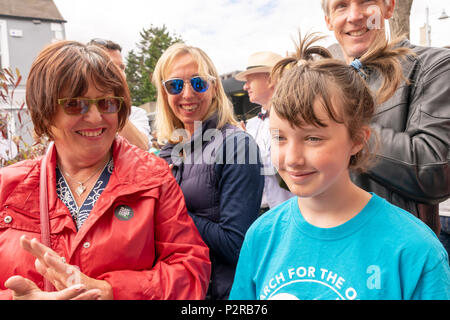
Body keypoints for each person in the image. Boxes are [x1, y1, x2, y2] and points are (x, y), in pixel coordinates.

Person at [229, 32, 450, 300]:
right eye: (280, 138)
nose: (292, 158)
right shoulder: (261, 237)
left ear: (357, 140)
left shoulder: (414, 249)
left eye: (312, 138)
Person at [0, 40, 210, 300]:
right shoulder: (8, 187)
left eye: (108, 103)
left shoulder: (153, 178)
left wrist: (111, 291)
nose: (96, 117)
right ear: (44, 111)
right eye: (75, 104)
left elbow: (191, 271)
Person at [321, 0, 450, 235]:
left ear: (389, 7)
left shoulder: (434, 66)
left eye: (365, 2)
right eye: (341, 6)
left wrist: (336, 127)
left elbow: (433, 171)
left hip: (400, 256)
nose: (354, 16)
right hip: (333, 252)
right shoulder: (325, 84)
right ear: (329, 20)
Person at [154, 43, 264, 300]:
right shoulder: (170, 150)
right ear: (165, 93)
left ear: (214, 87)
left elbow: (237, 246)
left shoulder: (237, 145)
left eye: (199, 83)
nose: (188, 94)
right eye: (175, 85)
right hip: (177, 289)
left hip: (224, 293)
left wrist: (172, 205)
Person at [235, 52, 293, 214]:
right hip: (257, 215)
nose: (245, 86)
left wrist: (245, 147)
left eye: (249, 80)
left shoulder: (295, 119)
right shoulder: (251, 124)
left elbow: (282, 166)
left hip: (290, 212)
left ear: (271, 79)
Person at [88, 38, 151, 151]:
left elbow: (140, 148)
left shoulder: (135, 114)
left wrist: (112, 104)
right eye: (110, 67)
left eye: (121, 67)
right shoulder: (77, 112)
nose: (119, 73)